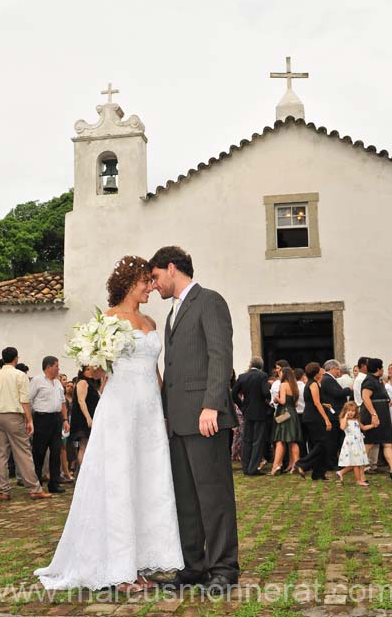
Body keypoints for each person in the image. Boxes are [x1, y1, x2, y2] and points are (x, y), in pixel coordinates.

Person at [35, 255, 183, 591]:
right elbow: (96, 370)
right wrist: (95, 359)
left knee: (147, 483)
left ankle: (138, 562)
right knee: (119, 483)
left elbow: (155, 373)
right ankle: (119, 570)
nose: (151, 287)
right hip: (119, 410)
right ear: (131, 282)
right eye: (147, 281)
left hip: (148, 413)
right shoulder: (108, 321)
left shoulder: (150, 322)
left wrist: (165, 408)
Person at [150, 246, 239, 595]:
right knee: (186, 499)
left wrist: (211, 406)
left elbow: (220, 355)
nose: (154, 285)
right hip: (178, 422)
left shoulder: (210, 301)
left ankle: (224, 568)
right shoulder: (172, 313)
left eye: (156, 277)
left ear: (172, 268)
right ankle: (193, 567)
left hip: (206, 418)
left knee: (214, 496)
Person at [0, 347, 51, 501]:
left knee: (1, 454)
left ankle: (4, 490)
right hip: (14, 415)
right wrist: (29, 419)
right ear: (16, 358)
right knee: (23, 453)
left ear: (3, 359)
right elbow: (24, 399)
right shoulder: (20, 375)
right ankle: (34, 488)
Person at [30, 357, 70, 494]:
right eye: (56, 366)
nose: (59, 368)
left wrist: (65, 419)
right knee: (39, 452)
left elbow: (62, 402)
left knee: (56, 451)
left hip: (56, 419)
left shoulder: (58, 382)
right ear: (48, 367)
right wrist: (29, 419)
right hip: (42, 419)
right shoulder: (37, 381)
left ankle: (54, 483)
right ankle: (36, 483)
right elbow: (29, 399)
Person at [360, 358, 392, 483]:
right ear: (378, 369)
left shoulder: (378, 380)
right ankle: (360, 474)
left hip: (383, 414)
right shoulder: (368, 381)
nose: (384, 369)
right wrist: (374, 414)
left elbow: (382, 393)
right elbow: (365, 398)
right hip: (374, 414)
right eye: (382, 367)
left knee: (387, 443)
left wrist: (387, 399)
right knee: (368, 444)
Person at [232, 356, 270, 476]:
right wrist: (268, 396)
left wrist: (242, 406)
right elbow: (265, 392)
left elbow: (234, 393)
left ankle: (245, 467)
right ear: (261, 366)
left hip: (247, 412)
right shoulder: (262, 376)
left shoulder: (243, 376)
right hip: (260, 412)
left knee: (246, 440)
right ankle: (253, 468)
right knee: (257, 440)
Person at [294, 363, 332, 481]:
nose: (322, 371)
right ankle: (302, 463)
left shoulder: (309, 383)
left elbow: (313, 401)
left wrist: (324, 404)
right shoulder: (314, 384)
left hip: (309, 416)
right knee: (321, 443)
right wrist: (326, 419)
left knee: (320, 445)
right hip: (314, 418)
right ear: (316, 373)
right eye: (320, 369)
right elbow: (315, 403)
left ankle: (318, 473)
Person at [269, 367, 302, 475]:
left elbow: (282, 401)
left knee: (280, 439)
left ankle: (276, 466)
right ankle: (296, 465)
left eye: (280, 372)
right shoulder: (294, 385)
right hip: (292, 413)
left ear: (284, 374)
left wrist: (276, 399)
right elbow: (296, 404)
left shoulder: (283, 385)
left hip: (284, 413)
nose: (279, 374)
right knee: (293, 440)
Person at [320, 359, 352, 470]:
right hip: (334, 414)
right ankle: (332, 463)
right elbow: (336, 393)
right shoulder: (328, 379)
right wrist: (349, 389)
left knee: (336, 439)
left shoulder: (330, 379)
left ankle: (335, 461)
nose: (339, 371)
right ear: (332, 368)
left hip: (336, 412)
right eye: (337, 368)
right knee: (333, 440)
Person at [337, 401, 372, 487]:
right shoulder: (343, 420)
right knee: (356, 462)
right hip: (351, 443)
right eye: (349, 410)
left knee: (357, 462)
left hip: (358, 443)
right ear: (345, 411)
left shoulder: (356, 420)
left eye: (353, 410)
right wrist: (345, 416)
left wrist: (373, 425)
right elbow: (342, 427)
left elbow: (363, 427)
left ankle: (341, 472)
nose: (351, 412)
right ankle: (358, 480)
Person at [70, 366, 100, 467]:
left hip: (91, 416)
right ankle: (83, 471)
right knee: (83, 446)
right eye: (87, 369)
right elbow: (81, 400)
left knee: (88, 446)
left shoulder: (92, 383)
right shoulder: (82, 382)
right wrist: (88, 417)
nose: (90, 371)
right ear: (82, 372)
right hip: (84, 419)